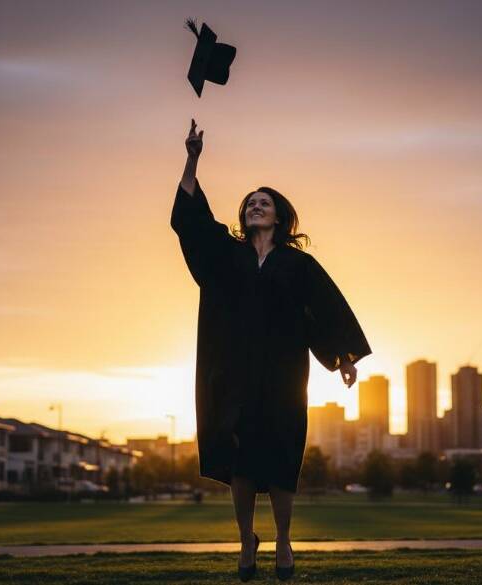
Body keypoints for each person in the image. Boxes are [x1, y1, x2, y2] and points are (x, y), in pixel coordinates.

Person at [171, 119, 371, 581]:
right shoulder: (226, 255)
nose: (255, 207)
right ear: (243, 217)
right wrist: (193, 157)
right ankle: (246, 539)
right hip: (233, 371)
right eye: (250, 204)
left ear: (279, 216)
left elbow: (326, 307)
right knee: (240, 461)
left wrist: (343, 355)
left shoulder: (298, 265)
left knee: (281, 457)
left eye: (264, 203)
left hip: (283, 375)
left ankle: (282, 539)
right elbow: (191, 222)